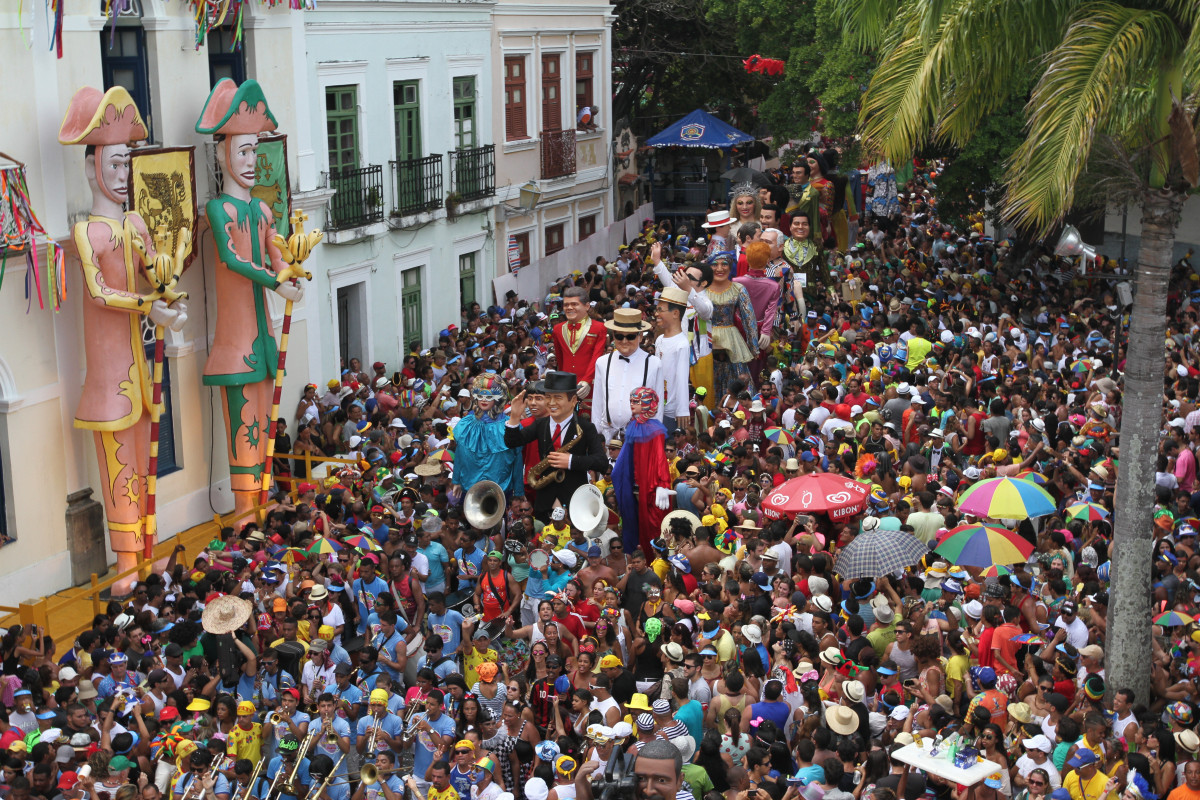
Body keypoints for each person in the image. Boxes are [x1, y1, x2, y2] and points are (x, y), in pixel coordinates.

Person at [57, 85, 188, 593]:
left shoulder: (135, 223)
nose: (120, 171)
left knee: (147, 464)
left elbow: (154, 272)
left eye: (126, 161)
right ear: (92, 168)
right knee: (121, 474)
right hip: (111, 381)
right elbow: (98, 292)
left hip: (143, 369)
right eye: (113, 161)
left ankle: (149, 552)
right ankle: (127, 560)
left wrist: (169, 294)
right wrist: (149, 306)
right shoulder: (88, 232)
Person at [195, 78, 303, 518]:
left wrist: (291, 269)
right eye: (242, 151)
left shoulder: (260, 210)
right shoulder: (219, 209)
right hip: (235, 346)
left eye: (254, 152)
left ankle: (261, 502)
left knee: (264, 425)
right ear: (223, 155)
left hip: (262, 339)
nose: (251, 161)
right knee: (244, 430)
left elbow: (276, 248)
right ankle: (244, 511)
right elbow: (234, 258)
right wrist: (275, 282)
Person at [504, 372, 608, 518]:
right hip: (545, 502)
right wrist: (514, 416)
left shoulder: (586, 427)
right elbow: (512, 441)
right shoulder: (540, 425)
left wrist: (572, 461)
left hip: (576, 503)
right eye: (548, 397)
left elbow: (602, 463)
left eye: (557, 397)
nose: (551, 403)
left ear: (573, 401)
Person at [591, 308, 663, 443]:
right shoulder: (602, 362)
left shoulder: (654, 364)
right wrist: (596, 436)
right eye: (619, 336)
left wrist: (653, 439)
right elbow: (598, 402)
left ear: (640, 336)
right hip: (608, 435)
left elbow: (657, 408)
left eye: (630, 336)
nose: (624, 341)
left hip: (639, 436)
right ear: (613, 336)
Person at [704, 253, 759, 400]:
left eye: (724, 264)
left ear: (730, 266)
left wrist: (754, 346)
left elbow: (749, 319)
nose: (719, 268)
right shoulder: (701, 289)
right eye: (714, 264)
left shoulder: (738, 289)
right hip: (707, 340)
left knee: (739, 380)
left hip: (732, 341)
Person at [654, 286, 692, 435]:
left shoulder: (681, 344)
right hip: (657, 408)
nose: (656, 314)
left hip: (672, 411)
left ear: (675, 313)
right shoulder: (659, 339)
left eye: (660, 310)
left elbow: (682, 378)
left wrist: (682, 409)